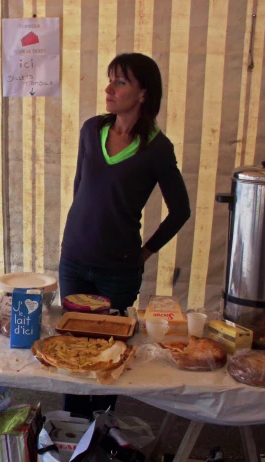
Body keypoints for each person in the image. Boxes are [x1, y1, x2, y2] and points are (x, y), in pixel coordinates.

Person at [59, 53, 191, 419]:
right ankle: (70, 436)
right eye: (110, 80)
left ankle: (99, 439)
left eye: (120, 82)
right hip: (73, 261)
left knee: (106, 358)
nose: (109, 89)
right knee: (71, 352)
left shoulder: (157, 149)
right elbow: (80, 186)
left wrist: (145, 252)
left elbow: (181, 210)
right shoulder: (91, 129)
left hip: (117, 271)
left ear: (144, 93)